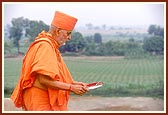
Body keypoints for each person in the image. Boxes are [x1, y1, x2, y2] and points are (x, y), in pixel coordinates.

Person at [10, 11, 89, 111]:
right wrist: (70, 87)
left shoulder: (51, 46)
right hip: (39, 100)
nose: (69, 38)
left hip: (42, 98)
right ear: (58, 31)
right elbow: (43, 80)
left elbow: (55, 77)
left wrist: (74, 84)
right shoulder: (45, 46)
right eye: (68, 33)